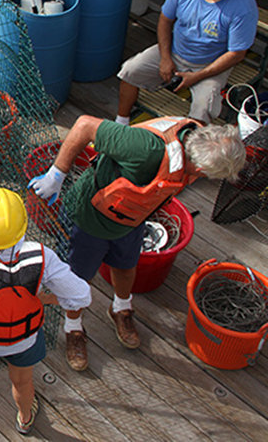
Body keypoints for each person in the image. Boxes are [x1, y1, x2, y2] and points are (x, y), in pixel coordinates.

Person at [28, 115, 245, 371]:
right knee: (78, 277)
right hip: (90, 218)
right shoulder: (145, 148)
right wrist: (56, 174)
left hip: (132, 218)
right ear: (201, 168)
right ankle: (73, 326)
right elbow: (84, 125)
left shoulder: (194, 142)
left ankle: (120, 308)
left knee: (126, 265)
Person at [0, 154, 90, 438]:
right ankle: (25, 420)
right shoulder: (42, 256)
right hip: (23, 339)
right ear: (23, 226)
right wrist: (46, 300)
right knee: (23, 383)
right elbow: (81, 296)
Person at [117, 0, 258, 125]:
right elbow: (165, 19)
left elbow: (237, 53)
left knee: (204, 107)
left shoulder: (242, 7)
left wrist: (198, 76)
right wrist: (166, 58)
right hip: (176, 50)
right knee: (129, 71)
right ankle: (121, 121)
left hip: (210, 63)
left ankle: (187, 144)